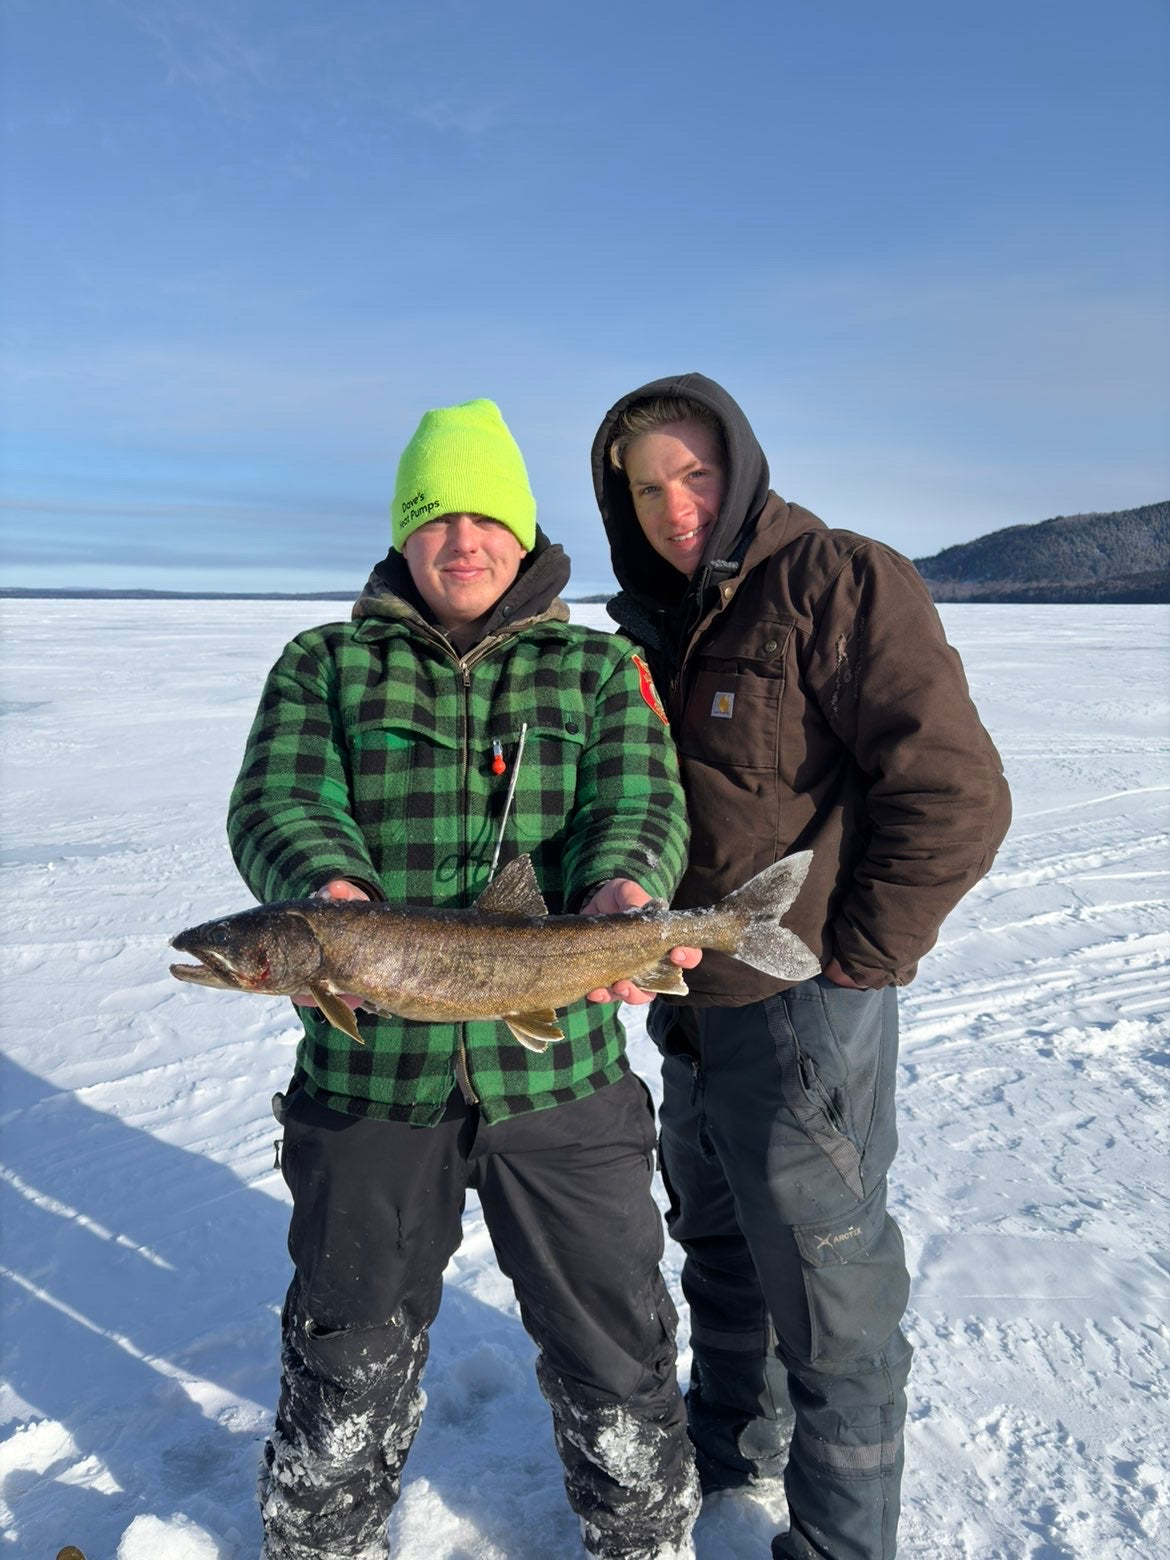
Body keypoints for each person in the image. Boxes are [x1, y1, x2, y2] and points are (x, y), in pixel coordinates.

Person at [228, 398, 702, 1560]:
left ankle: (645, 1540)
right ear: (405, 531)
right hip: (371, 1078)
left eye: (488, 516)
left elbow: (641, 801)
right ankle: (319, 1540)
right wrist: (327, 892)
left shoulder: (601, 668)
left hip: (564, 1075)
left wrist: (626, 889)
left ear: (524, 532)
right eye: (437, 517)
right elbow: (279, 800)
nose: (464, 540)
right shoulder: (326, 665)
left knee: (617, 1349)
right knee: (345, 1353)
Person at [590, 373, 1012, 1560]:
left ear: (740, 467)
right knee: (720, 1247)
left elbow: (956, 794)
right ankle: (733, 1457)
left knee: (832, 1295)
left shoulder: (840, 580)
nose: (677, 509)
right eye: (648, 489)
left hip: (808, 1004)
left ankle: (838, 1545)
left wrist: (860, 962)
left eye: (696, 475)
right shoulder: (647, 628)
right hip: (692, 1001)